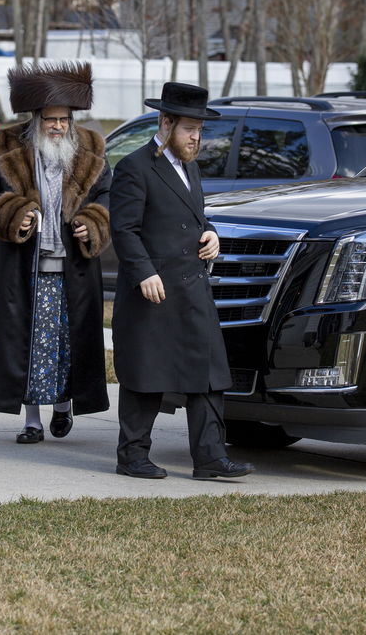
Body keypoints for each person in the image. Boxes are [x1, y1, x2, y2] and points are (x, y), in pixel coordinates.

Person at [109, 82, 253, 480]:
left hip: (192, 289)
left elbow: (193, 216)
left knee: (208, 373)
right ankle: (132, 456)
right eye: (190, 129)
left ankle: (209, 458)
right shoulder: (134, 167)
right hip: (151, 292)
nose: (196, 138)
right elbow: (124, 229)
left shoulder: (191, 167)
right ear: (166, 121)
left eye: (200, 130)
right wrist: (144, 273)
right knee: (146, 373)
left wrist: (211, 233)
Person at [0, 61, 112, 443]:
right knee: (29, 343)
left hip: (75, 269)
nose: (57, 126)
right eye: (50, 119)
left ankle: (65, 405)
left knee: (70, 342)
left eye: (63, 119)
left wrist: (94, 221)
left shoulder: (92, 150)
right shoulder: (5, 147)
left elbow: (109, 197)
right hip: (25, 267)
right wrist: (14, 215)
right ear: (35, 118)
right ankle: (31, 421)